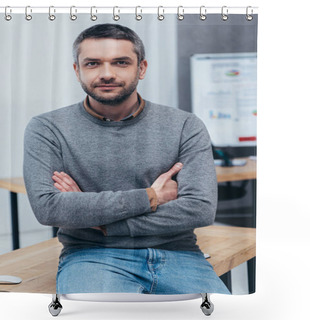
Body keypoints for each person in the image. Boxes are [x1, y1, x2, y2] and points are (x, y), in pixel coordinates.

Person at [23, 23, 229, 295]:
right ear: (77, 70)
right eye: (93, 63)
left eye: (121, 63)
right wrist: (150, 196)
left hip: (180, 254)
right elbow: (49, 209)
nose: (107, 74)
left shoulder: (185, 125)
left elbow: (200, 209)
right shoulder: (47, 128)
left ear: (141, 68)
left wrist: (100, 223)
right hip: (92, 255)